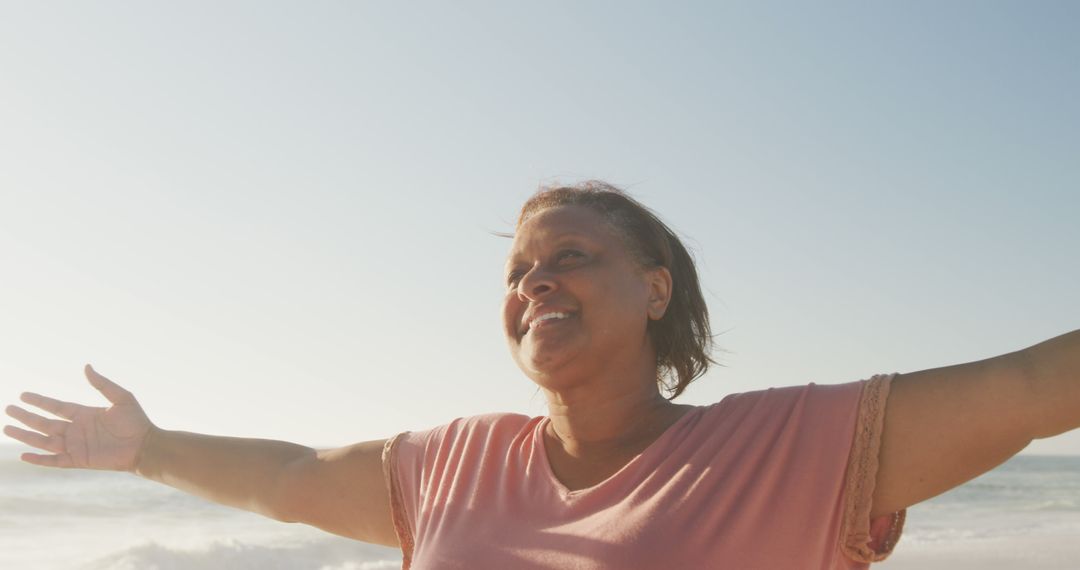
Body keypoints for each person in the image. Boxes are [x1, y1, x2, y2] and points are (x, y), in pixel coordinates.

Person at [4, 181, 1078, 569]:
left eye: (571, 257)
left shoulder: (786, 449)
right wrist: (146, 454)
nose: (535, 284)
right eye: (519, 271)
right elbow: (288, 478)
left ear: (656, 290)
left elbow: (1035, 386)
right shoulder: (456, 463)